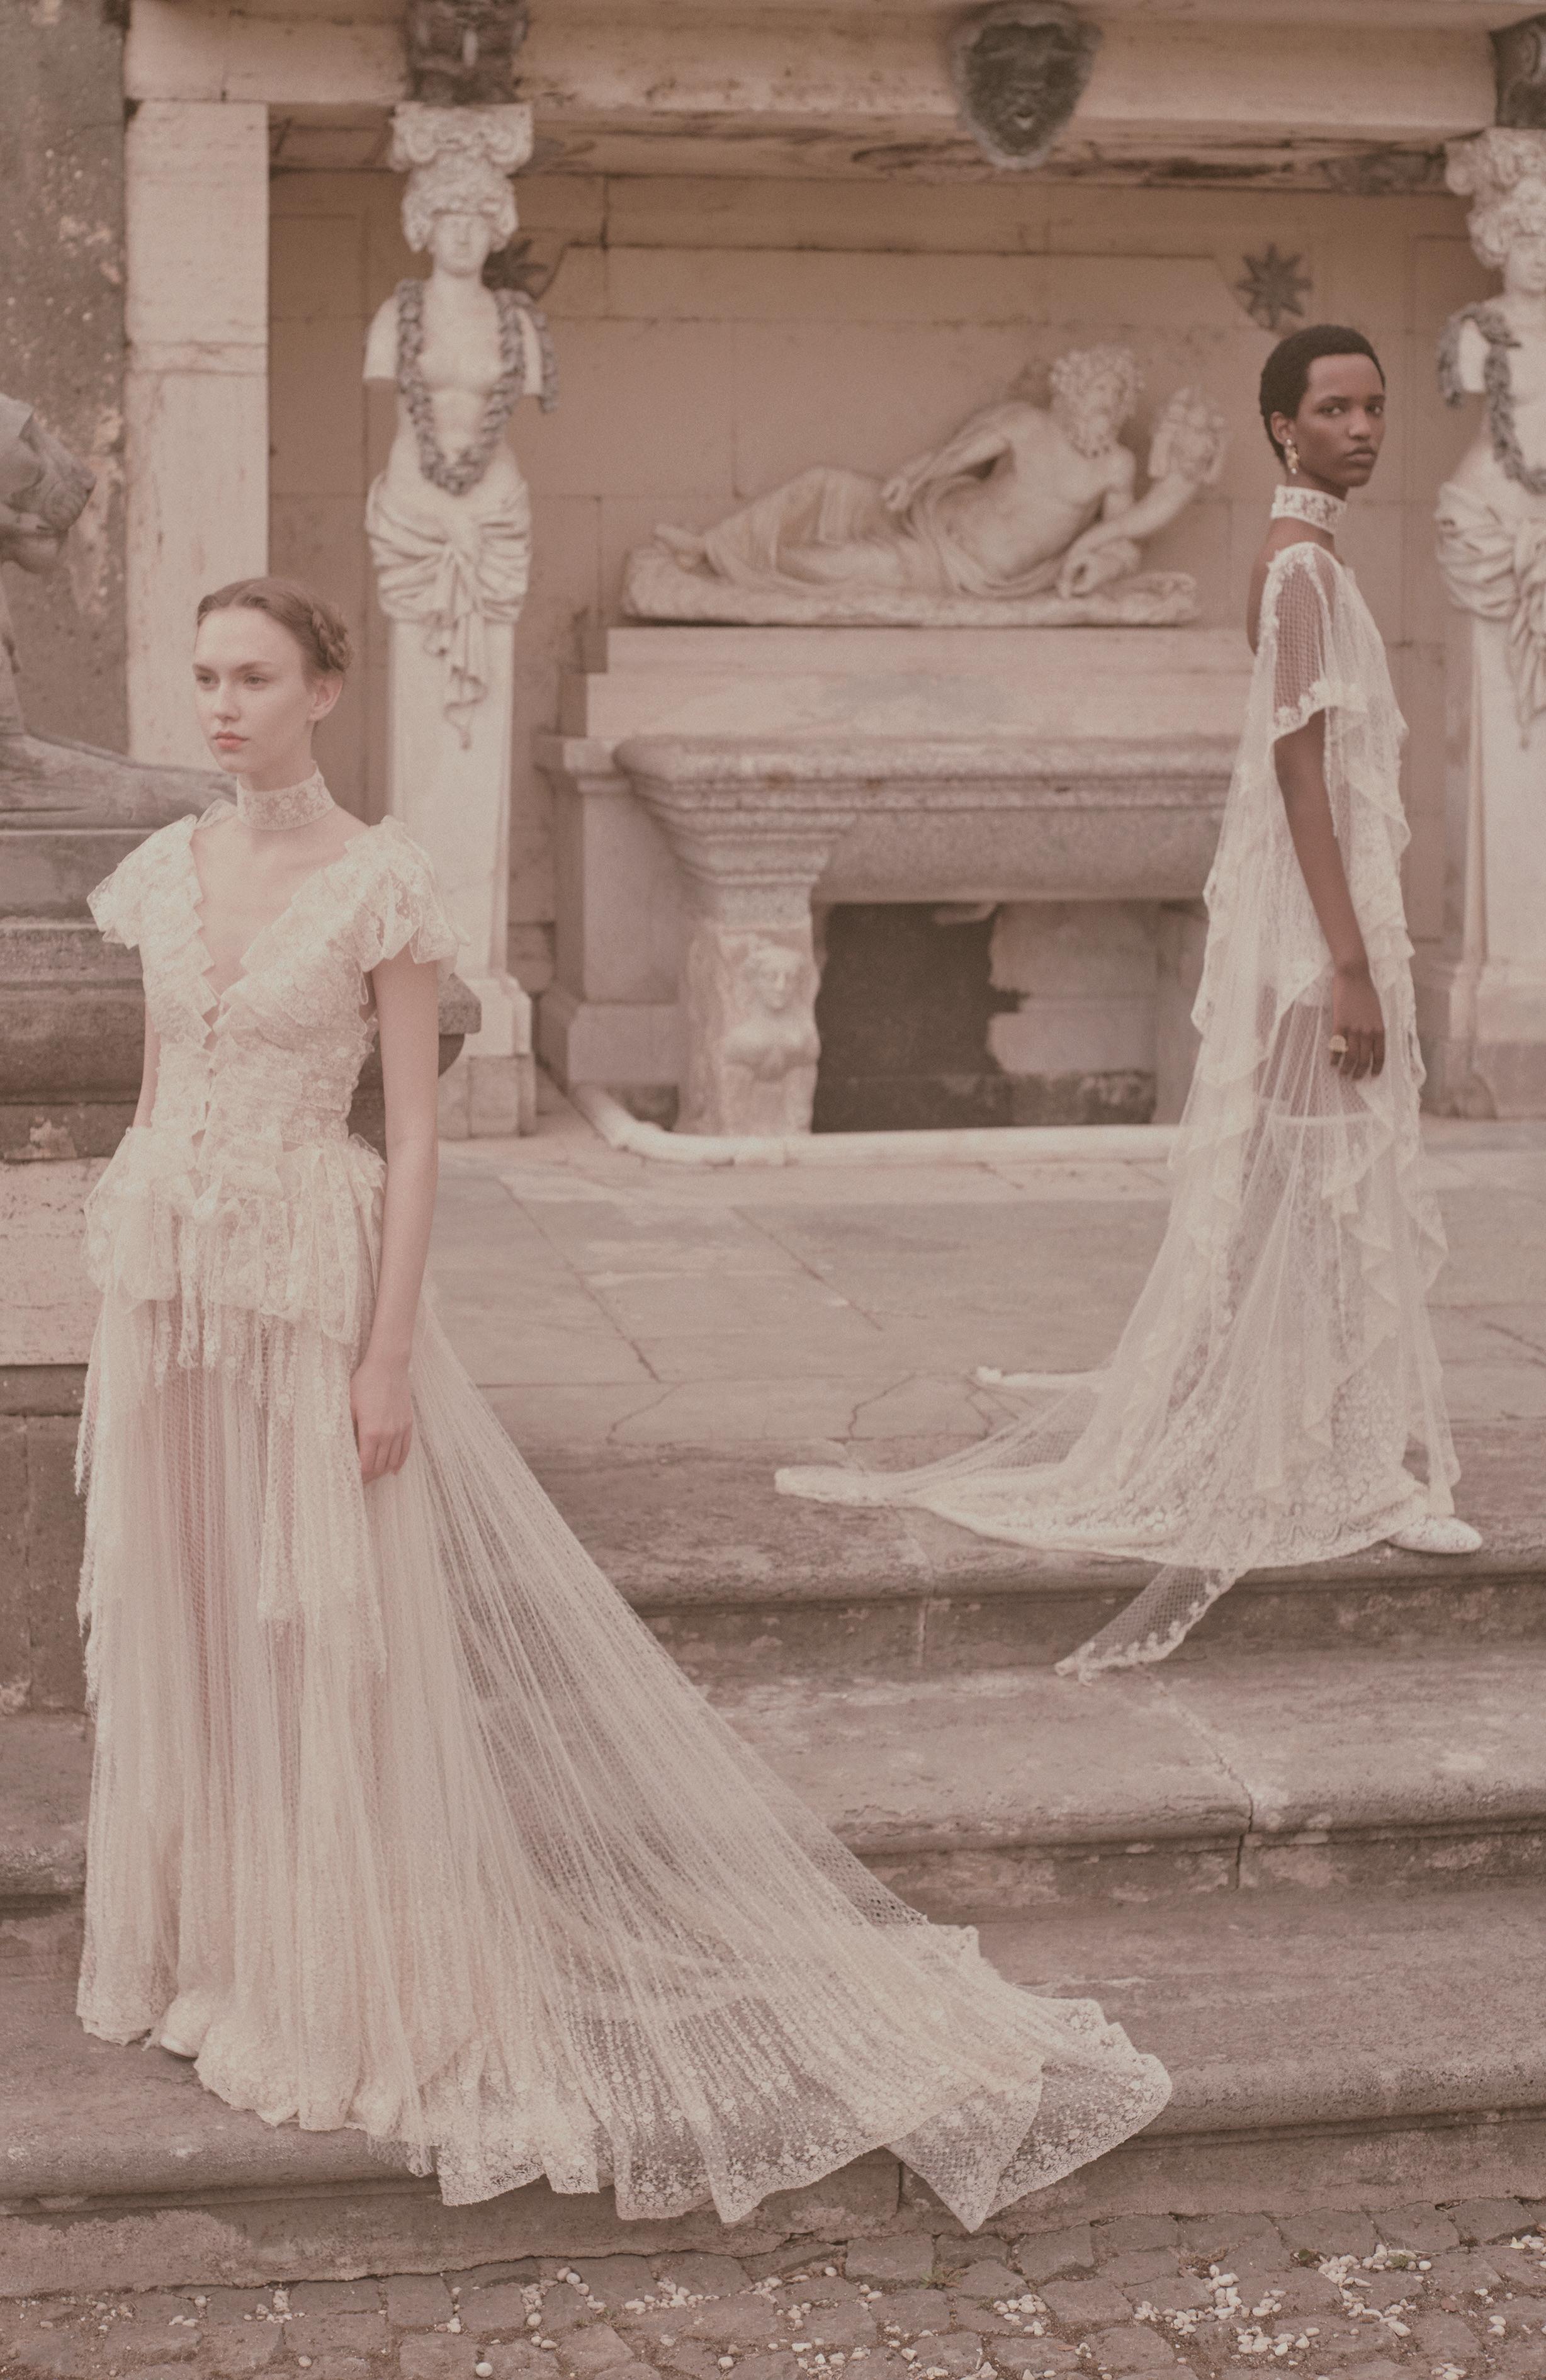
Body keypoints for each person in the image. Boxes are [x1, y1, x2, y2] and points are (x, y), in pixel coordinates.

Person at [74, 575, 1168, 2226]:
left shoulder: (376, 881)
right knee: (195, 1611)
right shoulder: (164, 870)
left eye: (255, 677)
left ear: (324, 690)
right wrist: (123, 1281)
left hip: (310, 1274)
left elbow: (417, 1132)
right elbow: (159, 1091)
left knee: (314, 1620)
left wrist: (386, 1353)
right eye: (207, 675)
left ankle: (324, 1971)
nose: (222, 705)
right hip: (166, 1280)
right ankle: (206, 1942)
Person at [779, 326, 1482, 1679]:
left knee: (1315, 1192)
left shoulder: (1316, 562)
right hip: (1314, 933)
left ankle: (1321, 1445)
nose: (1361, 428)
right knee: (1320, 1187)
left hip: (1335, 919)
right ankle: (1330, 1466)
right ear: (1280, 427)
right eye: (1333, 408)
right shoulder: (1297, 571)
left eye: (1374, 407)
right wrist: (1344, 962)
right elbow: (1298, 778)